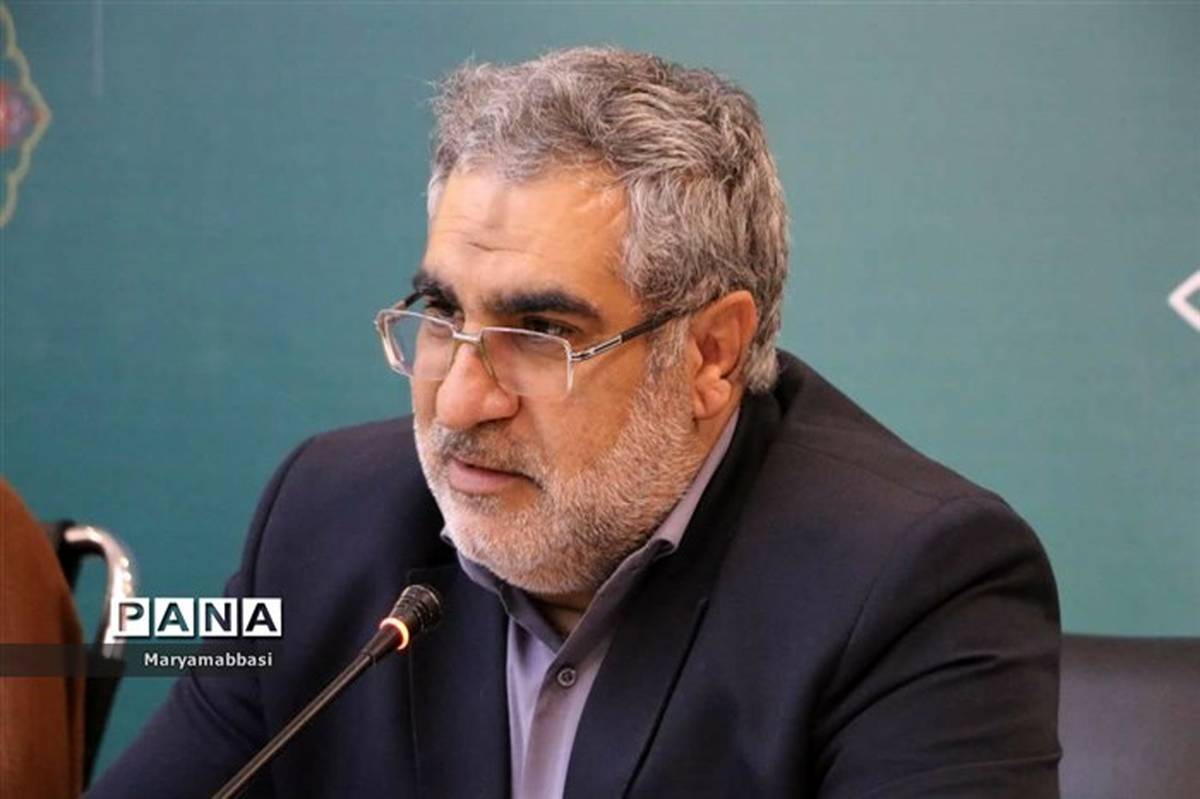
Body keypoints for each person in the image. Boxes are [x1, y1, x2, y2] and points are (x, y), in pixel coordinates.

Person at [88, 47, 1060, 798]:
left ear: (712, 354)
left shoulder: (908, 582)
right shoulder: (325, 521)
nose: (460, 402)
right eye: (442, 314)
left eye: (539, 334)